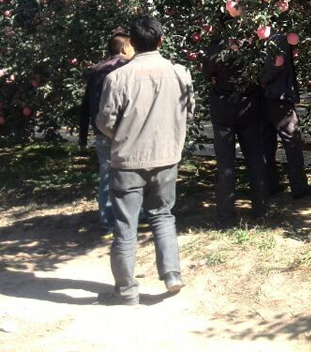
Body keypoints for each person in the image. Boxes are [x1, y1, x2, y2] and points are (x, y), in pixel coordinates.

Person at [95, 15, 195, 306]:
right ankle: (172, 275)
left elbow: (104, 121)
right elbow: (188, 112)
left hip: (128, 159)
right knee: (163, 216)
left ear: (132, 45)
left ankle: (126, 292)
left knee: (125, 225)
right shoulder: (180, 73)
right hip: (166, 157)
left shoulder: (117, 78)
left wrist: (125, 135)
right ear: (160, 41)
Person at [202, 32, 268, 226]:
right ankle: (261, 210)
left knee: (225, 165)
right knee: (256, 161)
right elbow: (262, 71)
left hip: (223, 109)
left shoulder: (217, 44)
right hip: (249, 107)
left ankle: (225, 215)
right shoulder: (253, 41)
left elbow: (207, 72)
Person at [79, 32, 134, 232]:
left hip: (101, 131)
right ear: (125, 49)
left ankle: (106, 218)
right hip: (123, 131)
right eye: (132, 47)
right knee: (131, 175)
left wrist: (84, 135)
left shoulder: (96, 70)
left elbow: (85, 104)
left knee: (107, 174)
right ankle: (128, 217)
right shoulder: (126, 69)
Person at [261, 32, 311, 200]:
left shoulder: (261, 37)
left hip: (265, 98)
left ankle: (270, 184)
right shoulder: (279, 38)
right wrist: (263, 80)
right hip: (278, 97)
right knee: (292, 140)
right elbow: (276, 65)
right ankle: (299, 186)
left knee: (267, 141)